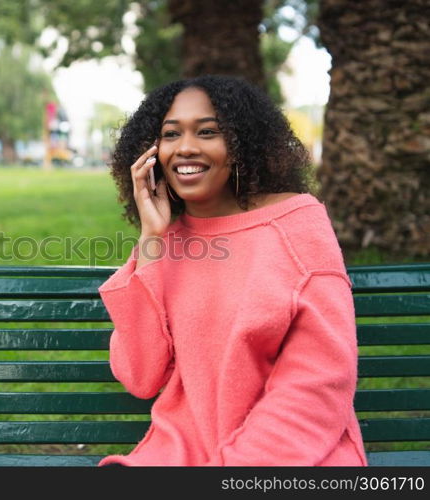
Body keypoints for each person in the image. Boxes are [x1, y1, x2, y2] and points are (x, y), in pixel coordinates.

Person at [97, 75, 368, 466]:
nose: (186, 148)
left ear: (243, 144)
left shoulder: (295, 224)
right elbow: (141, 376)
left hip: (292, 457)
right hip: (180, 456)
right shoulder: (163, 243)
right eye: (171, 134)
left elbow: (317, 383)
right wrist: (152, 240)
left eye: (208, 132)